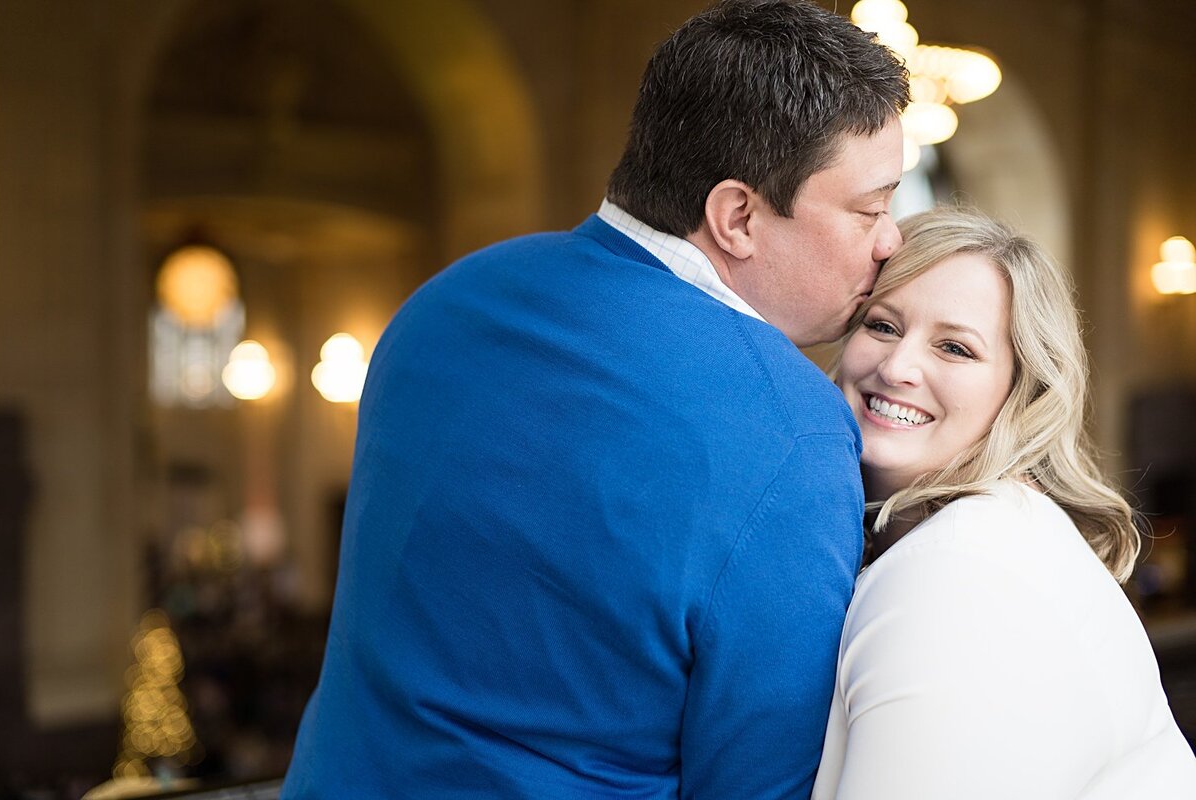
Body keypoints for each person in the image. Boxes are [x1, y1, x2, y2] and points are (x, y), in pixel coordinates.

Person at [280, 1, 907, 797]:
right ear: (738, 216)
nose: (890, 240)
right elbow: (759, 782)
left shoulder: (445, 301)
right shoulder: (791, 430)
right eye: (870, 209)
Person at [812, 206, 1196, 799]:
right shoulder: (971, 536)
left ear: (1023, 393)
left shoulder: (958, 573)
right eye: (883, 326)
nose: (897, 366)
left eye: (955, 349)